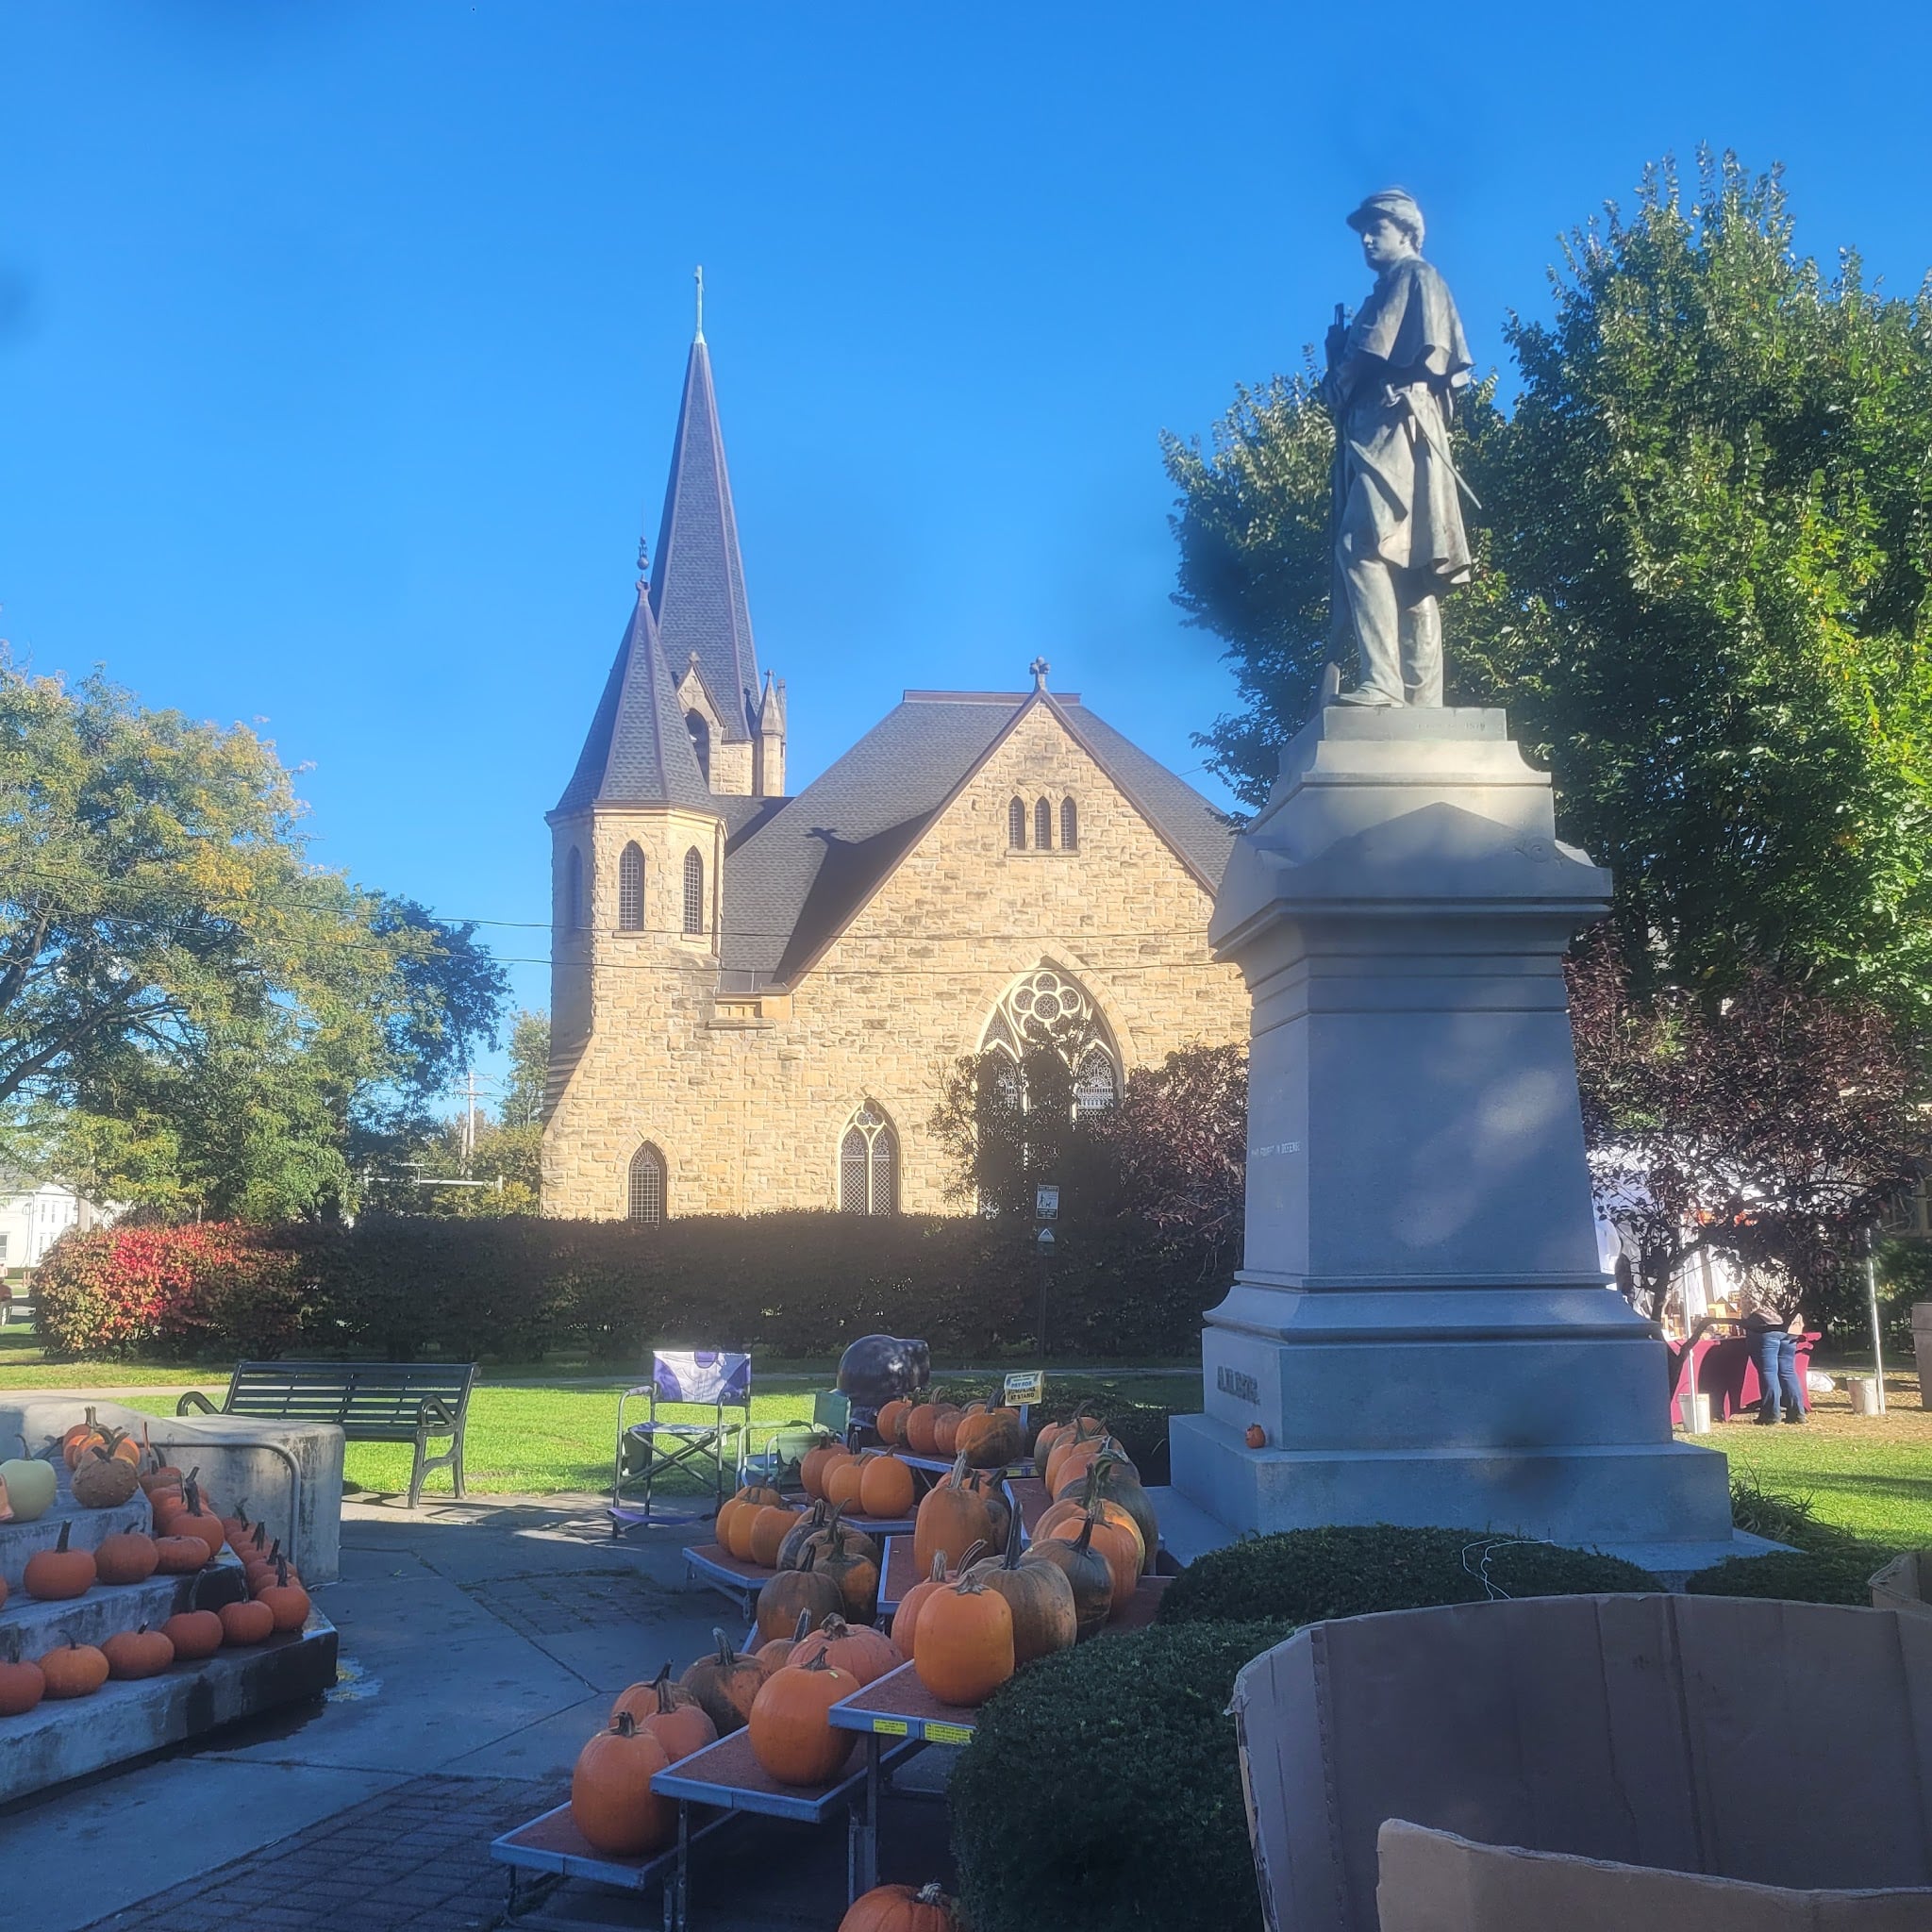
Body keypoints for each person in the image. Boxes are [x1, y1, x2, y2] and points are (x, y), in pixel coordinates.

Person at [1320, 188, 1474, 708]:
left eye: (1376, 227)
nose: (1366, 238)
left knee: (1362, 548)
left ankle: (1384, 684)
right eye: (1363, 230)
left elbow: (1372, 362)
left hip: (1396, 434)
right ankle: (1423, 701)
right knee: (1409, 570)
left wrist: (1342, 360)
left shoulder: (1413, 278)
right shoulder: (1390, 289)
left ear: (1406, 231)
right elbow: (1344, 385)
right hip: (1382, 434)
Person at [1740, 1271, 1807, 1424]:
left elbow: (1751, 1301)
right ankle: (1797, 1412)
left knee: (1768, 1371)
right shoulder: (1791, 1272)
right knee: (1788, 1370)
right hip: (1791, 1327)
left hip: (1766, 1326)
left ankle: (1771, 1414)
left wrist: (1745, 1316)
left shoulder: (1759, 1271)